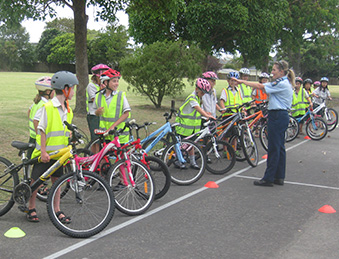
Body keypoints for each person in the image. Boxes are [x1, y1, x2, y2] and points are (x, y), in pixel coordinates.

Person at [233, 60, 294, 187]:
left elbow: (260, 86)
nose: (272, 73)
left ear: (281, 72)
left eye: (274, 70)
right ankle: (279, 176)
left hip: (277, 115)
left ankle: (269, 178)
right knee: (280, 147)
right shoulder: (282, 82)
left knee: (273, 148)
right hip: (281, 115)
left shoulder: (281, 83)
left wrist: (242, 81)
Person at [27, 71, 78, 222]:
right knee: (36, 183)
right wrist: (42, 151)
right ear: (65, 88)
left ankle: (57, 210)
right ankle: (31, 207)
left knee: (57, 182)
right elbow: (41, 130)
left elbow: (64, 129)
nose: (74, 92)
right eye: (73, 89)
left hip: (59, 154)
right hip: (46, 153)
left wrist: (70, 135)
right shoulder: (48, 107)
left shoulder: (68, 110)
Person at [175, 78, 215, 169]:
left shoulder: (197, 97)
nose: (203, 95)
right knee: (181, 145)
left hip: (192, 127)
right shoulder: (192, 98)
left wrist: (206, 114)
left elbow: (198, 111)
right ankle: (177, 160)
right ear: (197, 89)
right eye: (202, 92)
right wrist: (206, 115)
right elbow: (197, 108)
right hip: (184, 126)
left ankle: (192, 162)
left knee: (191, 145)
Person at [94, 68, 131, 144]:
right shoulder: (98, 96)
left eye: (117, 81)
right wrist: (97, 112)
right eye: (114, 81)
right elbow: (95, 112)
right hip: (105, 136)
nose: (116, 83)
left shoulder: (121, 96)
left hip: (119, 136)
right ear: (105, 82)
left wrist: (112, 127)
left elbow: (126, 113)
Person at [27, 76, 54, 159]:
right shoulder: (44, 104)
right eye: (53, 91)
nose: (54, 93)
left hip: (32, 135)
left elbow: (29, 112)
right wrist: (39, 135)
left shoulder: (37, 102)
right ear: (48, 91)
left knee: (30, 158)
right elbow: (36, 121)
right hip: (37, 137)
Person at [86, 64, 109, 151]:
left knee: (101, 140)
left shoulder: (105, 86)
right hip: (93, 115)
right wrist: (102, 90)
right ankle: (93, 158)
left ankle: (99, 158)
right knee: (95, 140)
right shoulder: (91, 86)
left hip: (102, 116)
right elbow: (95, 100)